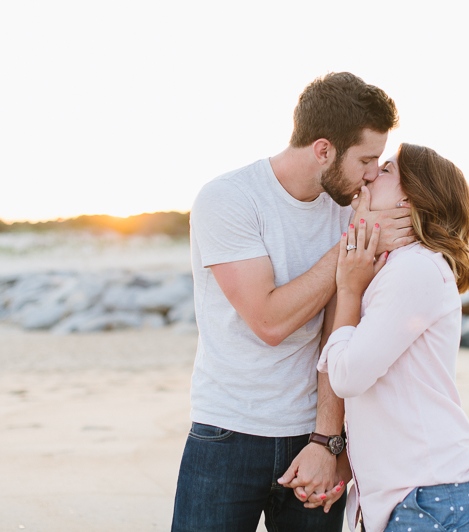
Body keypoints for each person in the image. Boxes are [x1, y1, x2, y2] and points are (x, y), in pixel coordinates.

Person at [170, 73, 414, 532]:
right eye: (365, 159)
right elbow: (270, 321)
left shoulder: (349, 206)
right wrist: (352, 243)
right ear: (323, 150)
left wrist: (329, 441)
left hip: (314, 437)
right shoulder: (229, 199)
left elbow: (338, 331)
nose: (371, 174)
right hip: (227, 432)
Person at [316, 143, 469, 532]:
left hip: (431, 494)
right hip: (420, 490)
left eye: (386, 170)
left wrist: (348, 290)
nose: (370, 174)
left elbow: (347, 377)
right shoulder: (395, 266)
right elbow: (388, 395)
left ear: (409, 198)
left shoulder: (414, 269)